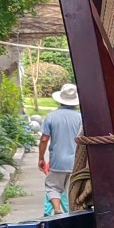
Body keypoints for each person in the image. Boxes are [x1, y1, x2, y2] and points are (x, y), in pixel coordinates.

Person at [37, 82, 81, 215]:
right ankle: (73, 214)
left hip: (57, 161)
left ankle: (57, 209)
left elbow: (44, 139)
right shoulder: (80, 117)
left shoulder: (51, 117)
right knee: (73, 190)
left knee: (53, 186)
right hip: (77, 161)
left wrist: (41, 158)